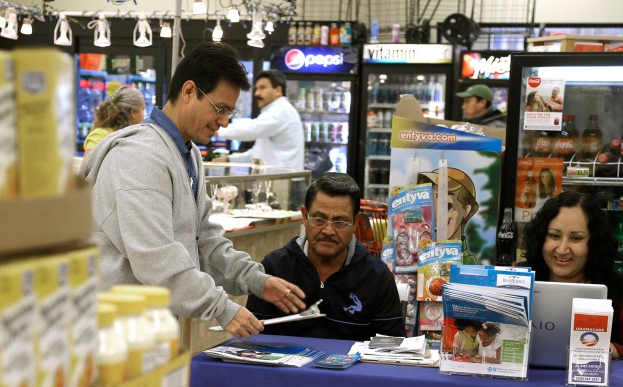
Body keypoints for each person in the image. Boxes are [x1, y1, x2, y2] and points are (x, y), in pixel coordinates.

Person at [81, 42, 306, 339]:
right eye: (220, 108)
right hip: (114, 334)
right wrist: (224, 309)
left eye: (230, 112)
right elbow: (156, 259)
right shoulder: (140, 157)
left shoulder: (188, 154)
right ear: (188, 91)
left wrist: (256, 280)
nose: (224, 122)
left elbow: (204, 240)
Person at [246, 172, 406, 341]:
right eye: (319, 219)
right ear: (304, 216)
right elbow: (252, 339)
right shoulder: (275, 268)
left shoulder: (376, 276)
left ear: (356, 222)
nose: (328, 231)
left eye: (340, 222)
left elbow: (392, 347)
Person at [521, 191, 623, 374]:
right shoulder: (518, 277)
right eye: (554, 236)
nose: (562, 249)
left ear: (594, 243)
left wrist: (612, 350)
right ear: (542, 239)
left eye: (576, 238)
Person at [212, 69, 305, 170]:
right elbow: (258, 153)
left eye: (262, 88)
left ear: (278, 90)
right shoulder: (274, 111)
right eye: (256, 89)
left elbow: (252, 129)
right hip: (278, 181)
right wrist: (229, 159)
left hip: (286, 182)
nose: (257, 93)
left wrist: (216, 128)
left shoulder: (281, 111)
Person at [417, 167, 479, 264]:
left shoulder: (468, 262)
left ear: (466, 210)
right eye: (429, 205)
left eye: (446, 206)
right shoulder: (416, 253)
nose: (435, 216)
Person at [83, 82, 146, 155]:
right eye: (142, 109)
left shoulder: (135, 136)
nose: (143, 114)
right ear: (133, 113)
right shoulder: (99, 136)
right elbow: (89, 164)